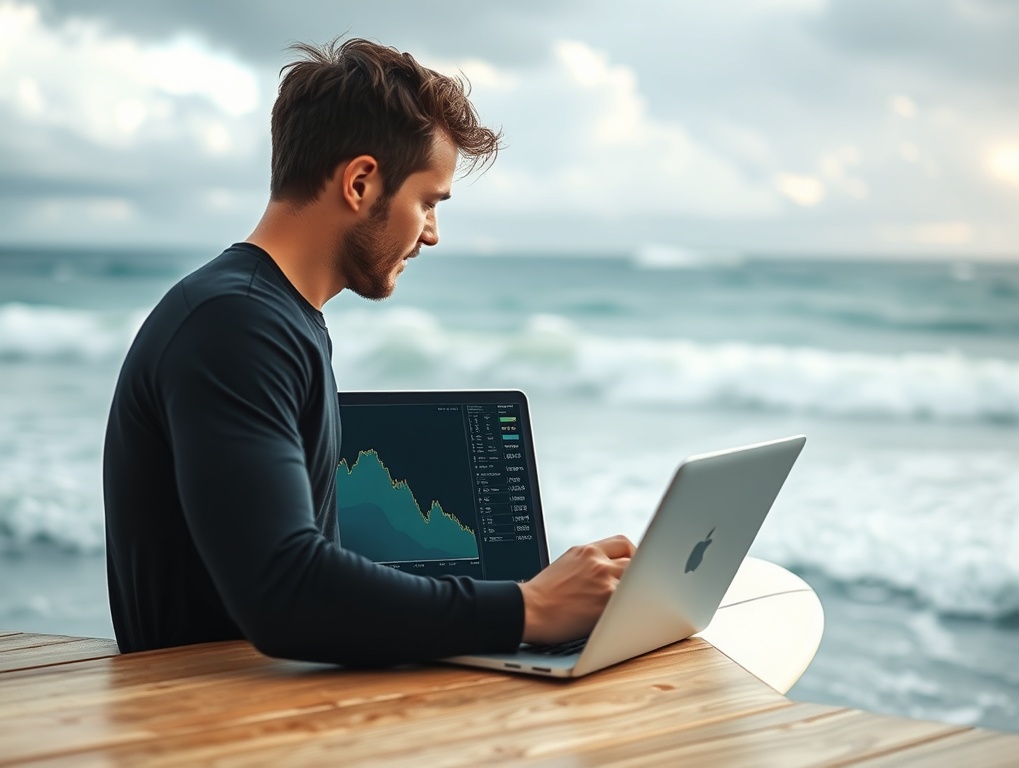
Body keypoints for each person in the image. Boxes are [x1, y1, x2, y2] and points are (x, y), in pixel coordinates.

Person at [103, 38, 635, 667]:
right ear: (360, 182)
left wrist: (524, 592)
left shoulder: (274, 317)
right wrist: (531, 609)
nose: (431, 234)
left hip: (272, 695)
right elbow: (286, 593)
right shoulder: (236, 325)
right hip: (212, 721)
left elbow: (294, 561)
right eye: (428, 202)